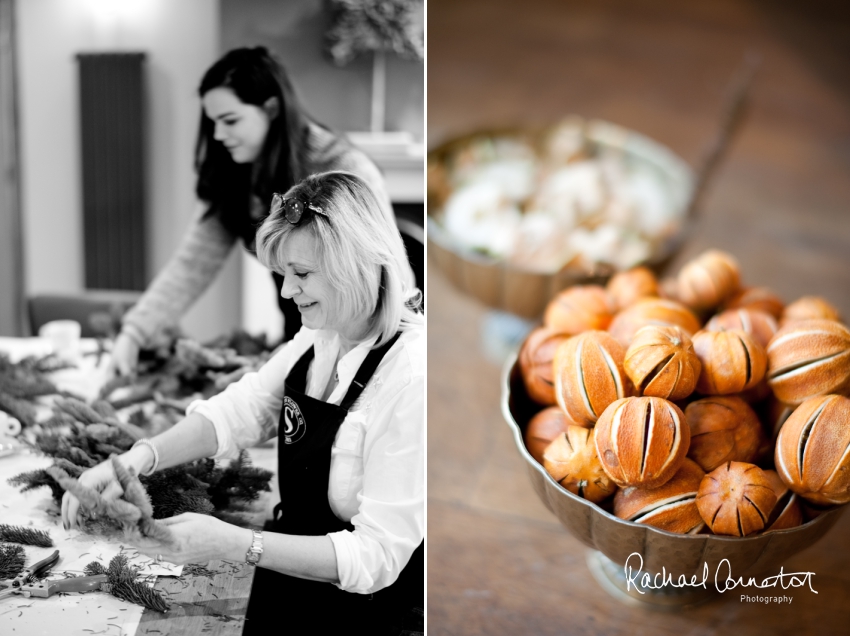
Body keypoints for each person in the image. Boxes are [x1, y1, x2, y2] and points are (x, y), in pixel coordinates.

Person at [62, 171, 424, 634]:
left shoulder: (412, 376)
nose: (287, 292)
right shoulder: (323, 333)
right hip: (294, 583)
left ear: (355, 264)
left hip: (370, 614)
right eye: (283, 274)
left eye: (302, 274)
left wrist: (234, 543)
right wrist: (135, 459)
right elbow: (242, 409)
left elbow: (375, 557)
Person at [110, 46, 400, 376]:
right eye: (213, 123)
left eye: (230, 120)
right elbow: (192, 264)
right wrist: (134, 332)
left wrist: (288, 363)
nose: (218, 135)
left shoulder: (347, 170)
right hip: (299, 331)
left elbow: (391, 284)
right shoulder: (232, 172)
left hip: (357, 347)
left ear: (272, 108)